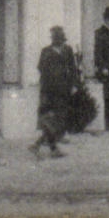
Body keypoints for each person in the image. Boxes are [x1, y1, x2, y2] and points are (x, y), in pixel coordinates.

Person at [32, 26, 79, 157]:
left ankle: (39, 145)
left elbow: (73, 68)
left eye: (61, 39)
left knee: (59, 118)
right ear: (53, 39)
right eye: (56, 38)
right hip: (49, 90)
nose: (59, 41)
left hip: (64, 89)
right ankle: (51, 149)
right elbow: (41, 68)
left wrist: (74, 84)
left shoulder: (67, 50)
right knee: (50, 118)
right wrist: (53, 76)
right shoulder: (46, 51)